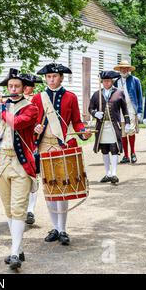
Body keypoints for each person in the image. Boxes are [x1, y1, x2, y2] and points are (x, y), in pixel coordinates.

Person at [0, 68, 39, 270]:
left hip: (20, 164)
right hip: (1, 162)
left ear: (23, 88)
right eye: (10, 86)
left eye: (16, 86)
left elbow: (17, 123)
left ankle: (13, 252)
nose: (12, 89)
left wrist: (1, 107)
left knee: (19, 208)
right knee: (8, 209)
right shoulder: (0, 106)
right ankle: (17, 248)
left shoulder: (31, 108)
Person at [31, 63, 92, 246]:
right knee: (49, 188)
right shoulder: (37, 98)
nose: (51, 80)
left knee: (62, 189)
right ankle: (55, 228)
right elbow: (31, 122)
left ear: (61, 78)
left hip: (61, 146)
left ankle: (63, 229)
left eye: (54, 77)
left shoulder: (70, 97)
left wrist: (83, 133)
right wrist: (35, 127)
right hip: (43, 146)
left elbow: (77, 121)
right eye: (48, 77)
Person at [89, 71, 131, 185]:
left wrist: (127, 122)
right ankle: (107, 173)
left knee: (114, 148)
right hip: (101, 126)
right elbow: (90, 108)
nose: (106, 83)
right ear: (101, 82)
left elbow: (125, 110)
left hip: (114, 126)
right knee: (104, 149)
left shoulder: (119, 93)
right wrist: (95, 113)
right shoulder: (96, 94)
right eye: (104, 81)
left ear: (112, 81)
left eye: (108, 81)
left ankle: (114, 173)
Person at [22, 74, 43, 226]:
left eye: (29, 85)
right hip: (15, 145)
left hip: (33, 143)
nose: (26, 88)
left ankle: (30, 210)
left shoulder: (37, 100)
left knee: (33, 177)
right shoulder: (10, 101)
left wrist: (38, 126)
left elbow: (42, 117)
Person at [113, 61, 143, 164]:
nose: (124, 70)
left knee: (130, 130)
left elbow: (139, 96)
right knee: (123, 133)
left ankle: (133, 153)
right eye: (122, 68)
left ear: (129, 70)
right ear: (119, 70)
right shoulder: (116, 81)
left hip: (131, 109)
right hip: (120, 109)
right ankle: (125, 155)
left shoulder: (135, 80)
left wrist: (139, 111)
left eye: (126, 68)